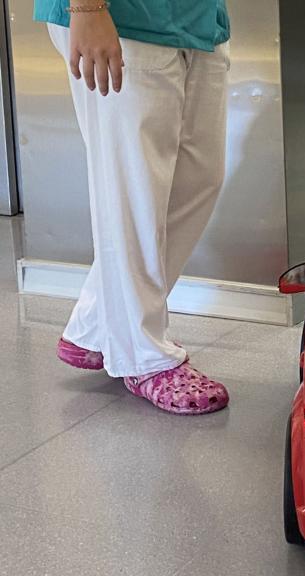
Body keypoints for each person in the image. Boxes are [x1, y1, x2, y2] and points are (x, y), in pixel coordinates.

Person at [36, 0, 231, 414]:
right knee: (134, 193)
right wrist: (86, 9)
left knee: (199, 179)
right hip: (118, 17)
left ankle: (94, 325)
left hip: (196, 17)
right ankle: (143, 356)